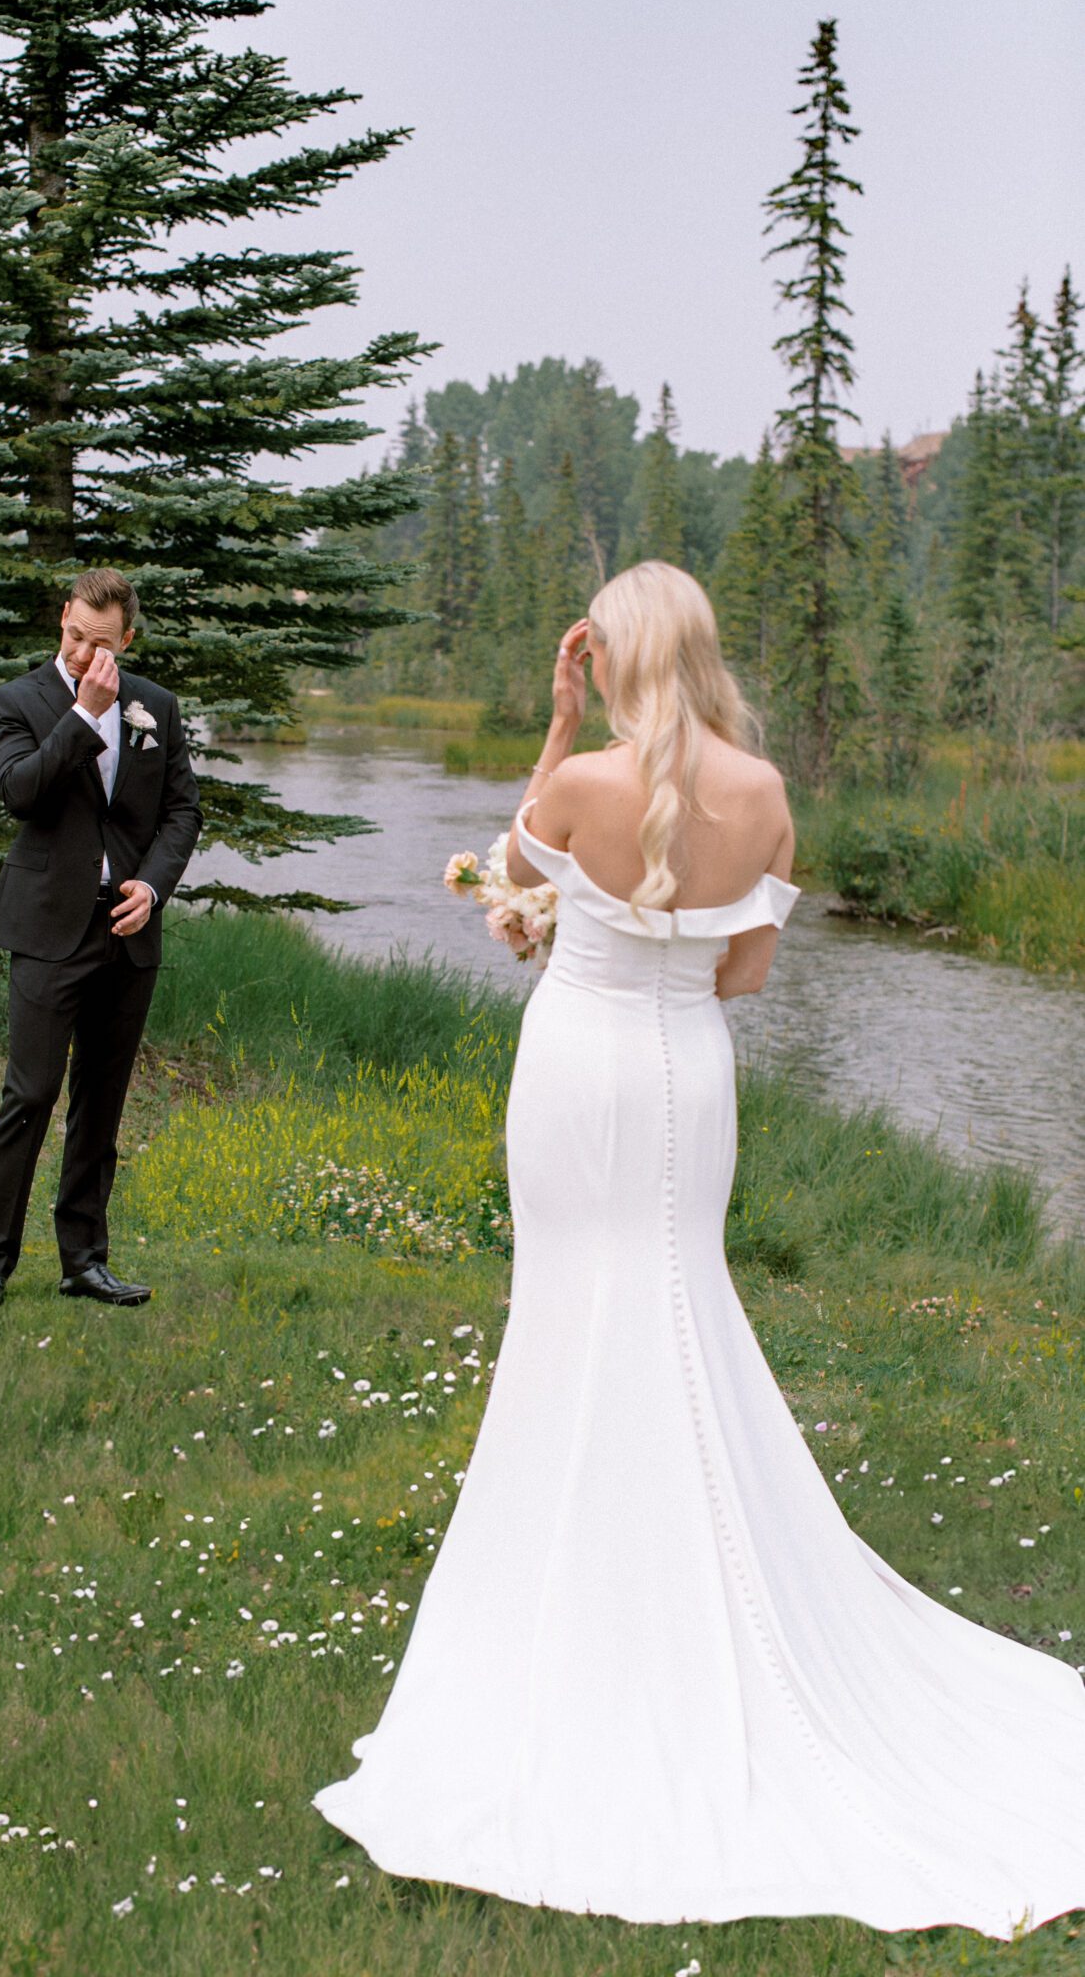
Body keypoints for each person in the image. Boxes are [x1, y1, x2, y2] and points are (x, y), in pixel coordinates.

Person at [311, 561, 1085, 1940]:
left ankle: (588, 1601)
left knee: (573, 1317)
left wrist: (552, 728)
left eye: (594, 656)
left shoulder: (582, 784)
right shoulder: (768, 795)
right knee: (677, 1302)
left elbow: (507, 887)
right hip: (690, 1074)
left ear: (609, 659)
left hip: (580, 1066)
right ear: (706, 653)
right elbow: (742, 978)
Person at [0, 568, 202, 1320]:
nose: (80, 652)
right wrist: (82, 713)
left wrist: (152, 887)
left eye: (99, 643)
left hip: (127, 931)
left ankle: (85, 1261)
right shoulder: (16, 701)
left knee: (101, 1105)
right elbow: (20, 793)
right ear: (61, 619)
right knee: (29, 1097)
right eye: (72, 635)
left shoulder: (155, 706)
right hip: (45, 928)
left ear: (126, 639)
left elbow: (180, 811)